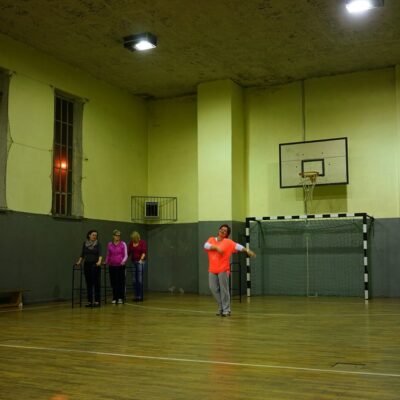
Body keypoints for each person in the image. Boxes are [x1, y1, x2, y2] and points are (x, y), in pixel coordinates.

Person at [204, 224, 255, 317]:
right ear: (219, 230)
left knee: (224, 290)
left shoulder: (228, 242)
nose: (223, 231)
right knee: (213, 288)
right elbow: (206, 245)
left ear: (227, 234)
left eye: (225, 231)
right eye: (222, 229)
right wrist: (216, 248)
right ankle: (221, 306)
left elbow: (238, 246)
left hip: (223, 269)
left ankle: (226, 309)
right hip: (212, 269)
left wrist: (247, 250)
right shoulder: (211, 239)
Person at [76, 230, 103, 308]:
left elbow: (100, 254)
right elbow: (82, 254)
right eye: (93, 235)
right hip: (87, 264)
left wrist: (99, 261)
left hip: (95, 265)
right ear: (89, 235)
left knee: (96, 283)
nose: (95, 236)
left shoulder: (98, 244)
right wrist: (79, 261)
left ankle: (97, 301)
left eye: (96, 235)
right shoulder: (85, 243)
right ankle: (90, 301)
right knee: (89, 283)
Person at [105, 229, 128, 304]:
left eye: (119, 236)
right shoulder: (109, 244)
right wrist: (106, 261)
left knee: (120, 282)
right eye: (116, 235)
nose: (118, 237)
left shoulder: (123, 244)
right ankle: (115, 297)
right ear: (113, 236)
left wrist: (123, 261)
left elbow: (126, 255)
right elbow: (108, 254)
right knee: (113, 282)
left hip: (120, 266)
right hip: (112, 266)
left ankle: (120, 297)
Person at [128, 231, 147, 302]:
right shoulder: (131, 243)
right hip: (133, 262)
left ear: (137, 237)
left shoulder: (142, 242)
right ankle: (136, 295)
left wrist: (141, 260)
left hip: (140, 262)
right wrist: (123, 260)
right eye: (132, 239)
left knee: (139, 279)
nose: (133, 240)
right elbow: (128, 253)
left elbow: (144, 252)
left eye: (134, 239)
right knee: (134, 280)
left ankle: (140, 296)